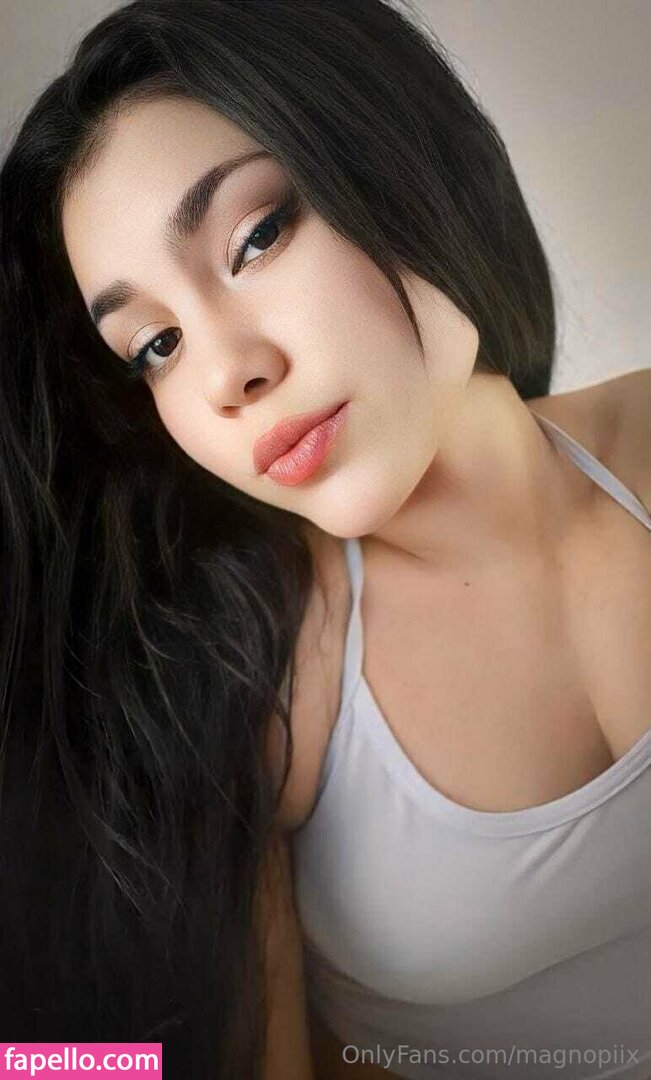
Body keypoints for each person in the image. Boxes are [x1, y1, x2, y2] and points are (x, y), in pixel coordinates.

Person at [1, 0, 649, 1077]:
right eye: (155, 344)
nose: (226, 373)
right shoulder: (255, 682)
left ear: (405, 157)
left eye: (255, 237)